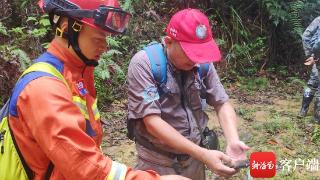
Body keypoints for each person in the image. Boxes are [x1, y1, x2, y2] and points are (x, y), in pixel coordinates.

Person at [0, 0, 189, 179]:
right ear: (67, 29)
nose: (105, 46)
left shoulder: (78, 73)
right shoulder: (44, 88)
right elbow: (83, 167)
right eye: (98, 38)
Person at [127, 8, 250, 179]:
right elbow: (152, 122)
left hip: (194, 159)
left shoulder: (201, 63)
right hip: (158, 162)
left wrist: (233, 140)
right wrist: (202, 154)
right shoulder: (144, 64)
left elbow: (221, 102)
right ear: (169, 42)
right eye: (189, 53)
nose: (195, 60)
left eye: (199, 54)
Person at [299, 16, 320, 123]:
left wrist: (311, 55)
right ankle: (317, 118)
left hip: (317, 57)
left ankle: (303, 110)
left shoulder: (318, 19)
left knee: (312, 84)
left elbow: (305, 36)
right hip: (317, 56)